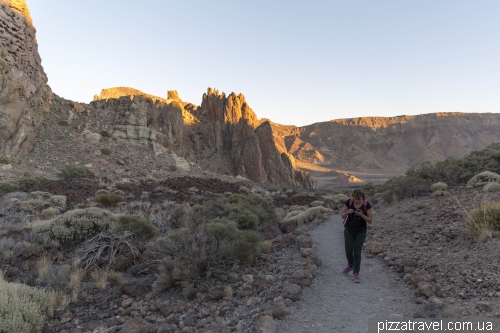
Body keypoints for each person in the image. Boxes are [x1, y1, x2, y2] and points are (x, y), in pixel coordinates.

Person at [340, 189, 373, 283]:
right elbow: (342, 215)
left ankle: (356, 272)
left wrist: (362, 215)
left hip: (361, 232)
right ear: (353, 197)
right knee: (348, 250)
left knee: (357, 252)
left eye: (359, 199)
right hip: (349, 230)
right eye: (356, 199)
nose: (357, 201)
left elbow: (370, 220)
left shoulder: (367, 205)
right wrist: (347, 213)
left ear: (363, 198)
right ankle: (350, 265)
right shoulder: (349, 202)